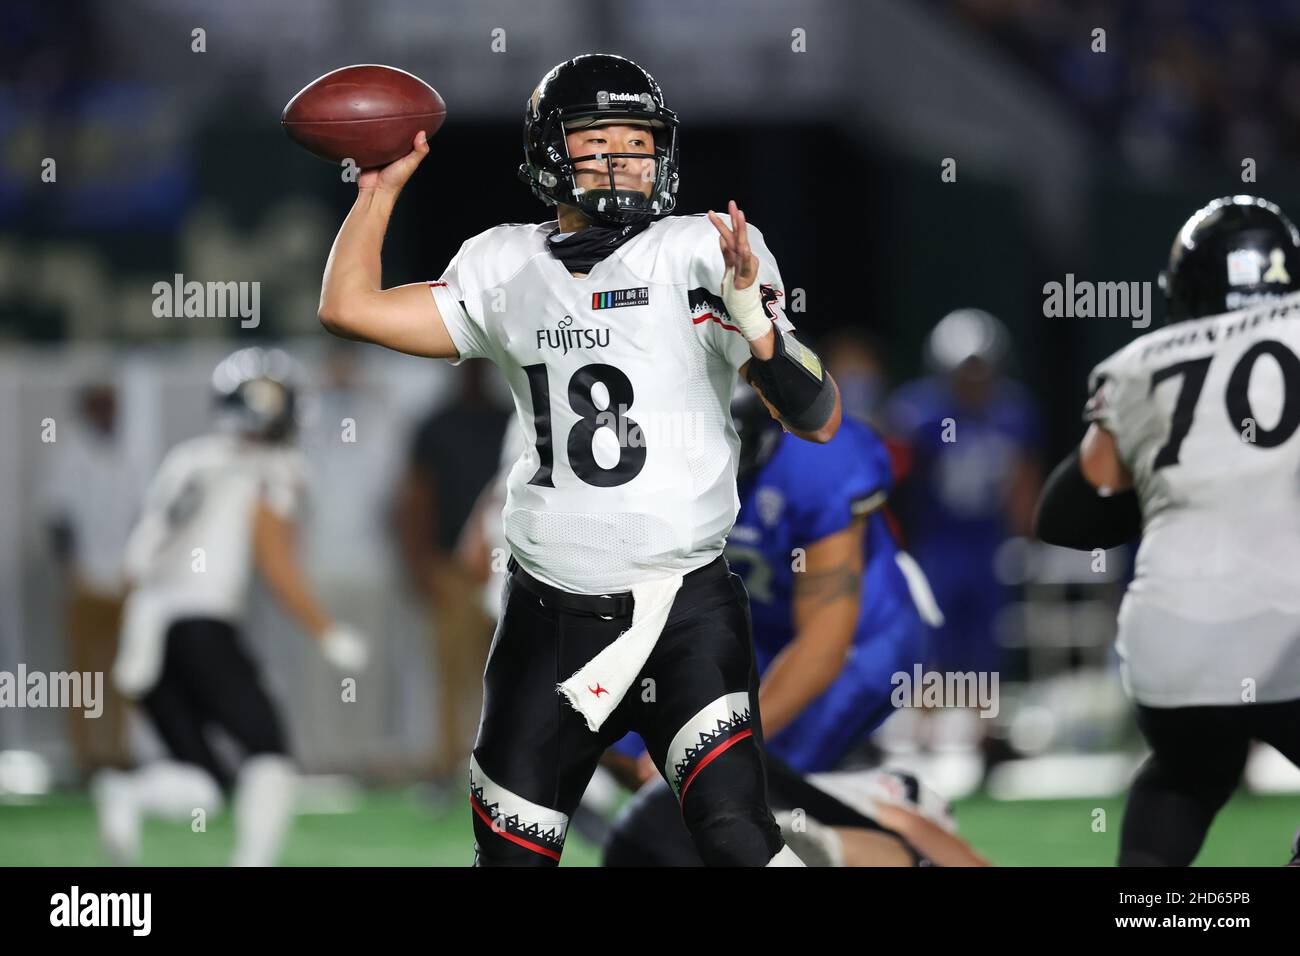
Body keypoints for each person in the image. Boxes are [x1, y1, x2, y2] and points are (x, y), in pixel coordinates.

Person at [317, 52, 842, 866]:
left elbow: (817, 416)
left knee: (740, 842)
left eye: (640, 140)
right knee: (511, 861)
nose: (626, 157)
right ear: (549, 153)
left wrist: (757, 322)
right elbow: (348, 308)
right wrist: (378, 192)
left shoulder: (702, 250)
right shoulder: (501, 265)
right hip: (546, 621)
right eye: (601, 139)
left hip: (683, 610)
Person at [1035, 195, 1300, 866]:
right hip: (1288, 627)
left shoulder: (1140, 362)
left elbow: (1068, 517)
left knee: (1184, 775)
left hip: (1170, 645)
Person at [93, 347, 368, 866]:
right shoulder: (273, 467)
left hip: (145, 630)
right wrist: (327, 631)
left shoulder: (189, 458)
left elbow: (135, 564)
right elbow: (276, 563)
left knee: (203, 783)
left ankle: (126, 794)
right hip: (201, 625)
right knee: (271, 756)